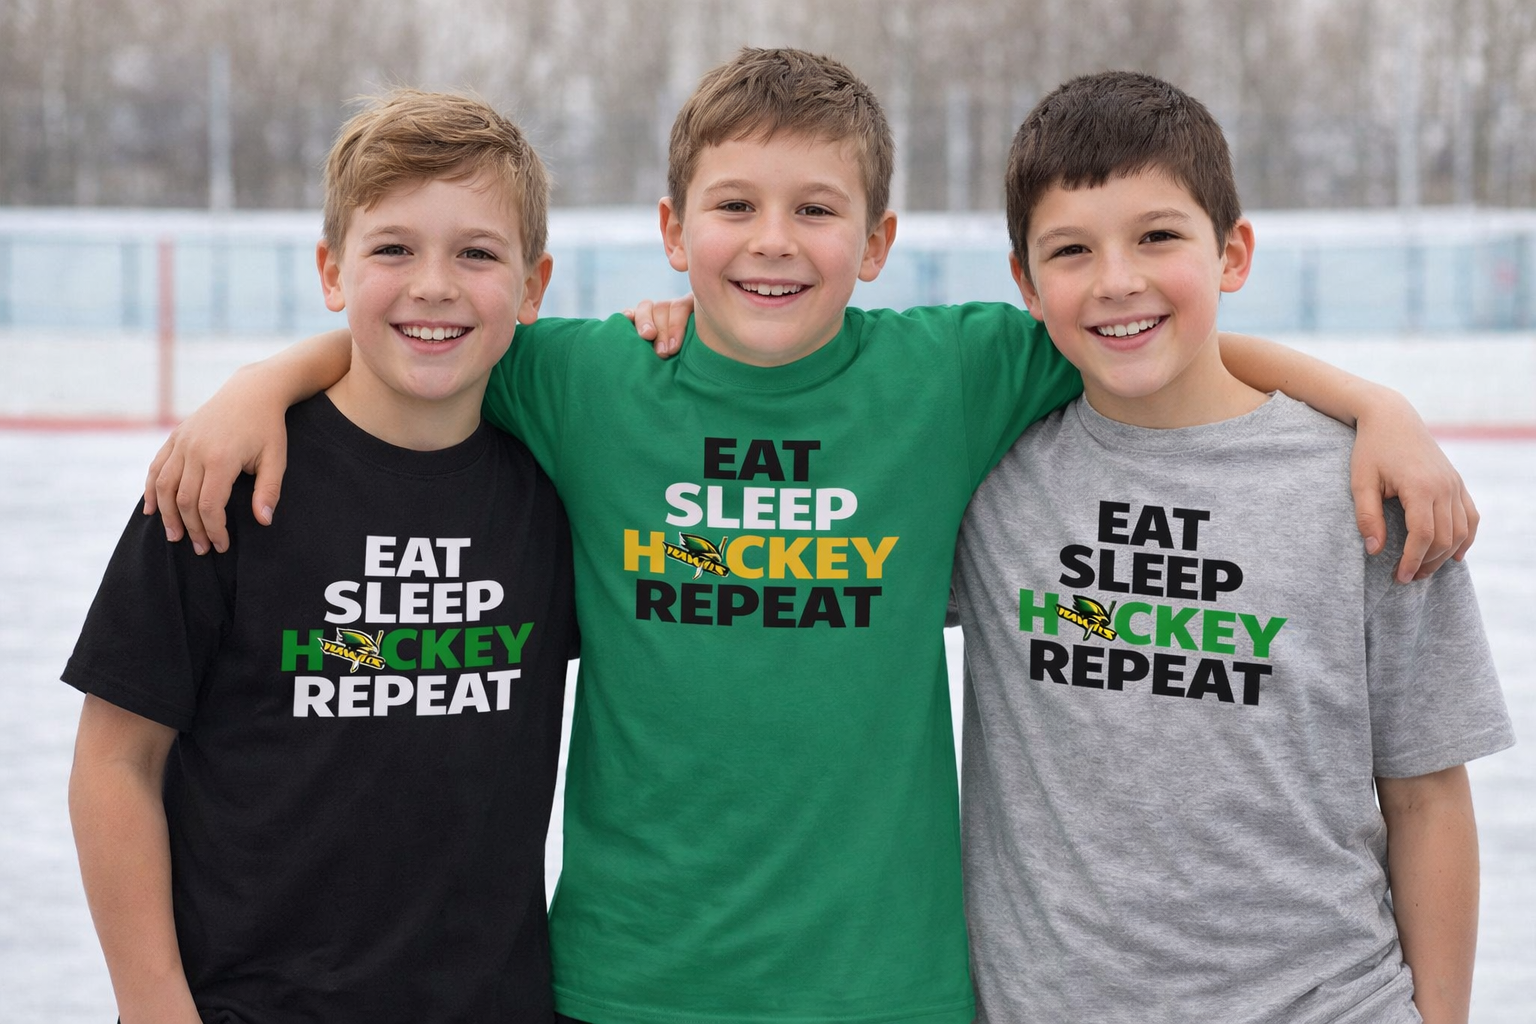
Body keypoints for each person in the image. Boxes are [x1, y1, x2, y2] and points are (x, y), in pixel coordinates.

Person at [138, 49, 1477, 1024]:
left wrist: (1374, 406)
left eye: (816, 211)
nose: (771, 243)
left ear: (878, 240)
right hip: (632, 978)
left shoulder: (952, 375)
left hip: (891, 984)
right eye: (734, 208)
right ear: (673, 233)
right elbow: (432, 330)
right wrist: (265, 381)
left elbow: (1139, 330)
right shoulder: (590, 381)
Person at [951, 71, 1514, 1024]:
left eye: (1158, 236)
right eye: (1072, 250)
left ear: (1233, 252)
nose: (1117, 280)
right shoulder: (988, 480)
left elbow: (1427, 796)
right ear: (1026, 284)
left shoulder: (1366, 489)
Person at [64, 89, 577, 1024]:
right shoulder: (223, 484)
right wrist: (154, 1008)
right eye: (393, 249)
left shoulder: (557, 495)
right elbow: (115, 762)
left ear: (533, 286)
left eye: (476, 253)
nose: (434, 285)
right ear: (332, 271)